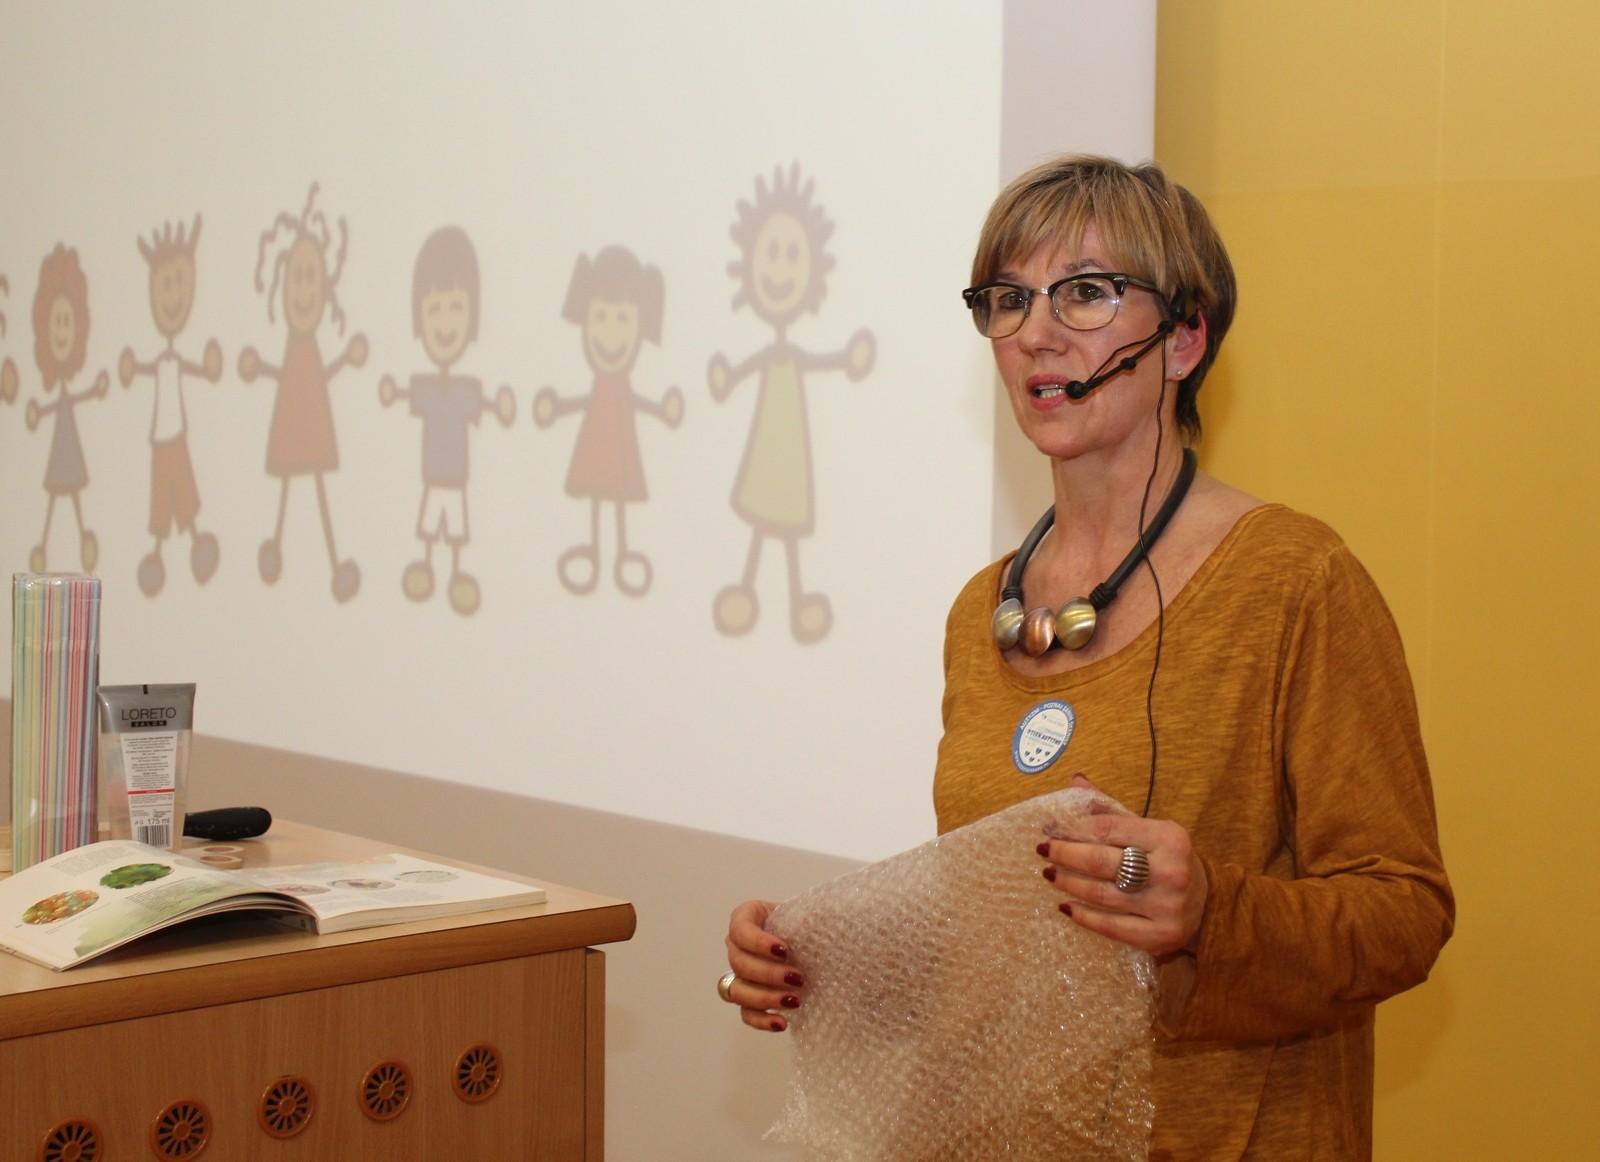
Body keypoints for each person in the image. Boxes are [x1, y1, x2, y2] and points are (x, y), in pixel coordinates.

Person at [721, 154, 1453, 1158]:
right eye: (1008, 299)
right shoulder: (983, 611)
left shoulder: (1297, 581)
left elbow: (1403, 912)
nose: (1036, 331)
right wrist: (816, 960)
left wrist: (1212, 914)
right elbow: (999, 940)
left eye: (1086, 292)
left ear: (1184, 338)